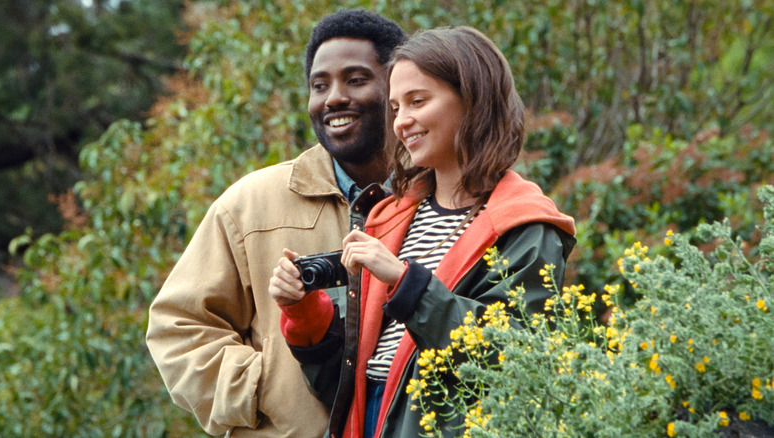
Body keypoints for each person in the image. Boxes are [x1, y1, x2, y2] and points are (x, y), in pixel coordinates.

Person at [269, 26, 577, 438]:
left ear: (473, 101)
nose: (402, 122)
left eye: (418, 101)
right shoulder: (391, 217)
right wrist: (306, 312)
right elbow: (343, 389)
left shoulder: (525, 227)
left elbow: (512, 357)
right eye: (395, 108)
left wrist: (405, 283)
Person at [145, 10, 406, 438]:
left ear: (398, 88)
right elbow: (178, 327)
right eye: (319, 85)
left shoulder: (440, 198)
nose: (333, 98)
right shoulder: (250, 204)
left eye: (356, 79)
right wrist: (266, 387)